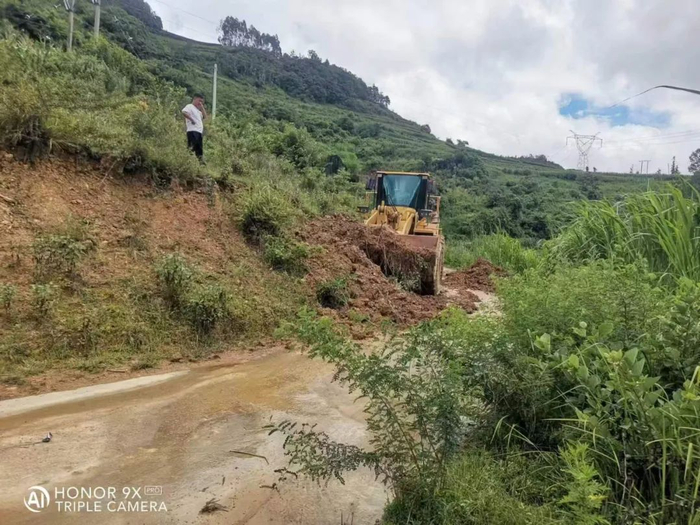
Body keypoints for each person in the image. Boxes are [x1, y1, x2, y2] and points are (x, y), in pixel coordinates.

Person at [181, 94, 207, 160]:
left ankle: (200, 161)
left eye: (202, 102)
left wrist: (202, 107)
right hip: (192, 130)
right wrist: (191, 120)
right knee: (192, 147)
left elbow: (204, 116)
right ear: (194, 99)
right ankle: (188, 160)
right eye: (199, 101)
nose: (200, 103)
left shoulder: (198, 111)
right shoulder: (190, 106)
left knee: (199, 148)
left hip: (199, 132)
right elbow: (184, 112)